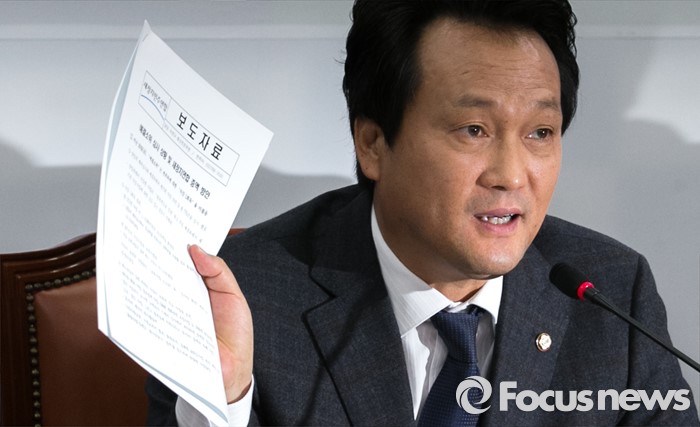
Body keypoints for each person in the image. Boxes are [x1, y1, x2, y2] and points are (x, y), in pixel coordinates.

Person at [146, 0, 700, 425]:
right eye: (473, 130)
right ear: (372, 143)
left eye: (540, 132)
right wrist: (218, 405)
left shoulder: (611, 297)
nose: (511, 174)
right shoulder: (248, 297)